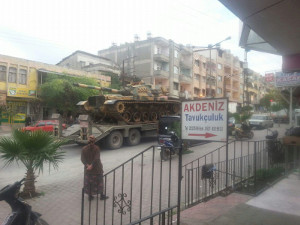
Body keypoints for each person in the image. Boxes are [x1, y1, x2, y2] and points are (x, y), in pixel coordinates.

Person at [81, 135, 108, 201]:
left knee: (89, 182)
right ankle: (101, 196)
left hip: (88, 170)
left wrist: (88, 166)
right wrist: (92, 165)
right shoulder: (96, 148)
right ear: (94, 141)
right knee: (99, 181)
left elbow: (82, 159)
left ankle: (90, 196)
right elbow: (97, 158)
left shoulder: (83, 149)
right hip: (97, 169)